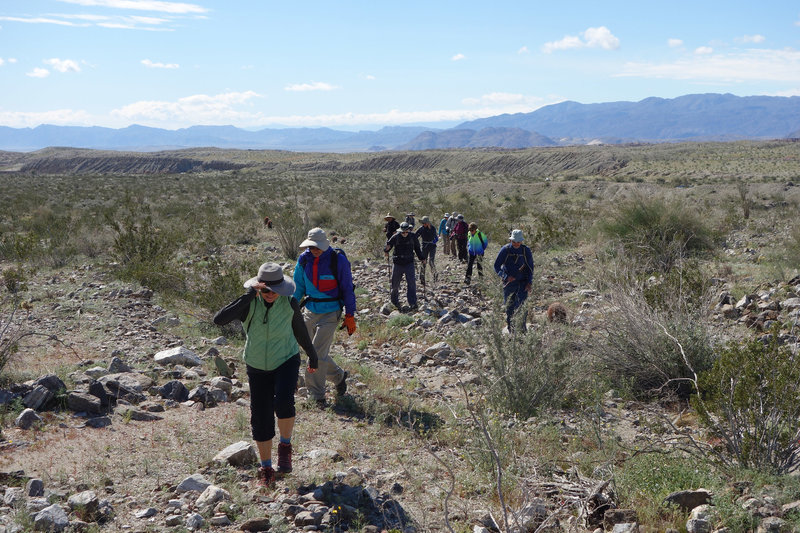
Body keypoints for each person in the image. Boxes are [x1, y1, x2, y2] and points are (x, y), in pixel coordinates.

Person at [213, 263, 318, 488]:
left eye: (274, 290)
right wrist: (250, 294)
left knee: (284, 401)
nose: (270, 295)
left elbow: (299, 329)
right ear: (258, 288)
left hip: (286, 359)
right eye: (265, 290)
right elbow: (219, 320)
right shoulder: (249, 303)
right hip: (257, 364)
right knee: (260, 416)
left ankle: (285, 447)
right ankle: (267, 468)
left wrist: (312, 355)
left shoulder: (289, 302)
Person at [293, 228, 354, 409]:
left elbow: (347, 288)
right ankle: (339, 377)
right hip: (309, 311)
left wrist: (350, 314)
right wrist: (290, 308)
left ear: (325, 244)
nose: (314, 250)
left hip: (331, 312)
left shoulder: (338, 260)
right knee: (313, 352)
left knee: (317, 354)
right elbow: (297, 288)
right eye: (311, 247)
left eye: (317, 247)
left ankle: (317, 396)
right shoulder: (303, 260)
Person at [494, 229, 535, 331]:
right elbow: (496, 266)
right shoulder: (505, 250)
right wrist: (505, 277)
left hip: (523, 283)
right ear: (510, 240)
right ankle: (511, 330)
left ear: (521, 241)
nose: (516, 244)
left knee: (521, 307)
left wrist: (529, 282)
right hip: (509, 284)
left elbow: (530, 268)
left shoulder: (526, 251)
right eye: (514, 241)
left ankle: (522, 330)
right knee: (509, 307)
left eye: (518, 242)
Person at [384, 221, 425, 310]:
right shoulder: (395, 237)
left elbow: (417, 249)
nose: (405, 234)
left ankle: (412, 302)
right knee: (395, 284)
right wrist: (386, 250)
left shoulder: (413, 237)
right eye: (403, 232)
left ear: (409, 231)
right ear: (400, 231)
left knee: (411, 283)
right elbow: (388, 245)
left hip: (409, 263)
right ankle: (394, 301)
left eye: (406, 232)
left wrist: (422, 258)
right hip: (397, 263)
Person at [415, 216, 438, 283]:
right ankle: (422, 278)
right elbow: (415, 236)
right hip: (424, 246)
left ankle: (435, 275)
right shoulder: (421, 229)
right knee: (423, 261)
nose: (424, 224)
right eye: (423, 223)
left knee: (431, 261)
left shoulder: (432, 228)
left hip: (432, 246)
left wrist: (430, 229)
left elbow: (435, 237)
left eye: (425, 223)